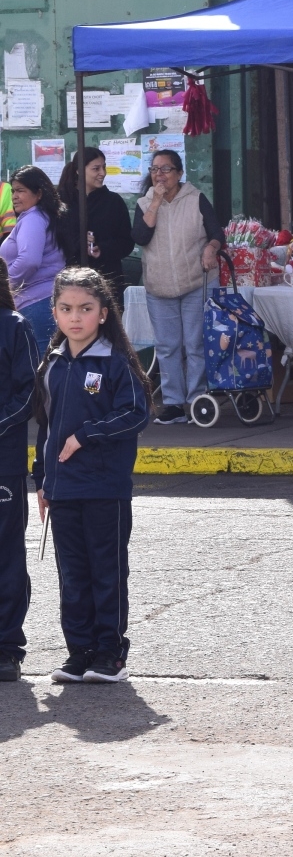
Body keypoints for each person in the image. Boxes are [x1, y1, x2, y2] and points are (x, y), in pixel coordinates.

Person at [33, 267, 151, 686]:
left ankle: (109, 654)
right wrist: (41, 479)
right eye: (66, 308)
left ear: (103, 313)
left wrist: (86, 435)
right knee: (73, 575)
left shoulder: (116, 362)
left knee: (107, 572)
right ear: (54, 312)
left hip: (104, 488)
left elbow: (136, 414)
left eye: (85, 308)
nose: (75, 317)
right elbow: (45, 427)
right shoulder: (52, 363)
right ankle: (78, 652)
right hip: (62, 490)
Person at [132, 150, 224, 425]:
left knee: (195, 344)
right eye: (154, 169)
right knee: (167, 347)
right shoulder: (145, 202)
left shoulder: (196, 198)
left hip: (195, 281)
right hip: (159, 286)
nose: (159, 175)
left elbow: (217, 233)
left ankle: (197, 400)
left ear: (180, 173)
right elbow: (140, 237)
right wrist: (155, 202)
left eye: (166, 169)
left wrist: (210, 248)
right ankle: (173, 403)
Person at [0, 265, 36, 682]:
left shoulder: (15, 326)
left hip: (3, 464)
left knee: (6, 555)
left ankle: (6, 647)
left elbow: (30, 394)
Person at [3, 167, 78, 353]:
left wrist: (4, 287)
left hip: (35, 303)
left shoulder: (33, 218)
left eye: (20, 191)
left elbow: (29, 261)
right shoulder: (41, 216)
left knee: (39, 363)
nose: (14, 196)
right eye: (13, 191)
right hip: (43, 302)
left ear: (38, 194)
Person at [57, 148, 134, 300]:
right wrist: (79, 241)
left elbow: (127, 242)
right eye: (96, 168)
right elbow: (54, 240)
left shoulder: (113, 202)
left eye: (104, 167)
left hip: (107, 281)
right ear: (79, 170)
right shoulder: (62, 202)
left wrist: (102, 249)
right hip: (70, 280)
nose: (102, 173)